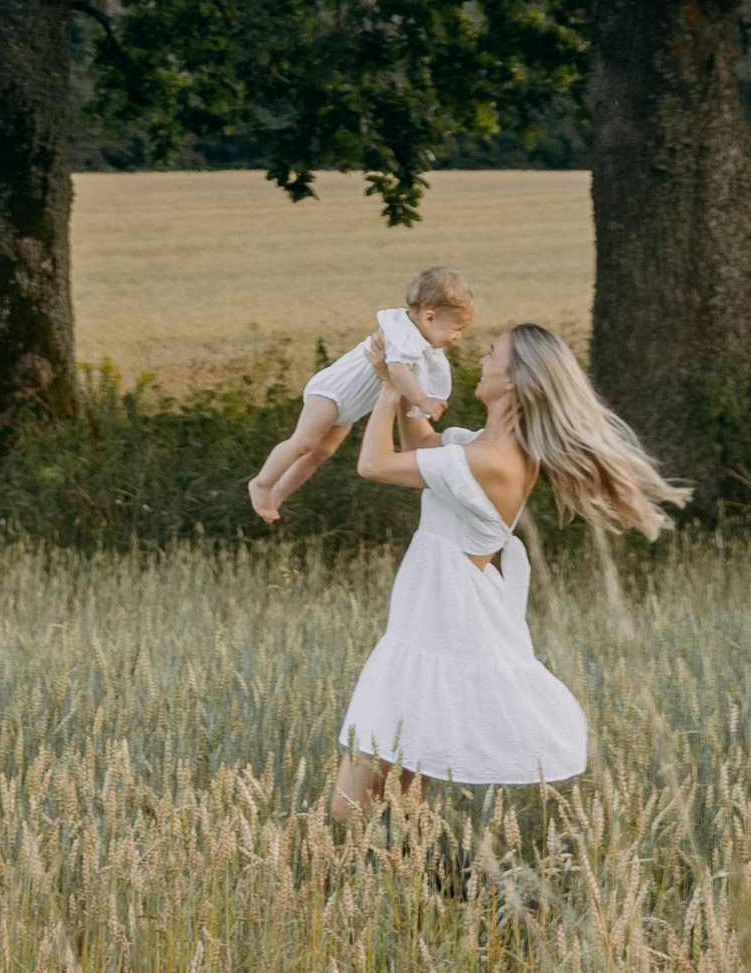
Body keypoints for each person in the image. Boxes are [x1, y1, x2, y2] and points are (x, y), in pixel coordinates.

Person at [329, 321, 686, 823]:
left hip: (438, 633)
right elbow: (424, 444)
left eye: (493, 354)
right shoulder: (482, 449)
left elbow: (375, 465)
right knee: (396, 809)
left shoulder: (491, 462)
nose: (482, 359)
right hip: (430, 629)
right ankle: (467, 893)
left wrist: (390, 387)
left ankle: (473, 889)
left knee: (350, 813)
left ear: (514, 379)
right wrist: (415, 380)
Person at [248, 268, 477, 524]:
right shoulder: (403, 334)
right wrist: (422, 400)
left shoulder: (418, 339)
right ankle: (262, 483)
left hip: (352, 404)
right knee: (303, 443)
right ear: (429, 318)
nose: (457, 337)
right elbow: (396, 370)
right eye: (457, 328)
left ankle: (280, 493)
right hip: (334, 392)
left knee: (321, 452)